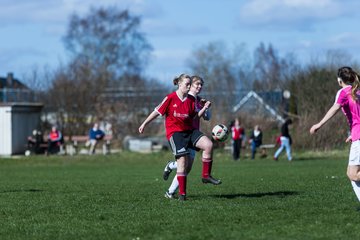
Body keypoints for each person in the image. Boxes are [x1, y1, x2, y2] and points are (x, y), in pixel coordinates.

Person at [138, 73, 221, 201]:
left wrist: (204, 108)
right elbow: (157, 111)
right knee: (183, 162)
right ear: (179, 83)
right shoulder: (170, 98)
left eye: (191, 85)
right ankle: (181, 195)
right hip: (175, 133)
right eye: (188, 84)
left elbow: (196, 117)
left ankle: (206, 175)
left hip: (190, 132)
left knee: (208, 145)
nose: (190, 87)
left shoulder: (192, 100)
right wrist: (144, 124)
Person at [310, 66, 360, 201]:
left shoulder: (344, 92)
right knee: (352, 176)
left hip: (359, 137)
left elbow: (334, 108)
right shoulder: (357, 91)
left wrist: (319, 124)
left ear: (339, 80)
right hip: (357, 135)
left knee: (353, 174)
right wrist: (353, 133)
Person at [162, 75, 212, 199]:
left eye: (201, 85)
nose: (199, 87)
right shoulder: (185, 98)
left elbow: (207, 117)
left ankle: (170, 169)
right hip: (182, 133)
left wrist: (206, 108)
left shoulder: (198, 100)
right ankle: (172, 192)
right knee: (184, 164)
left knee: (187, 167)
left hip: (193, 134)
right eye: (197, 85)